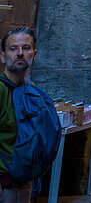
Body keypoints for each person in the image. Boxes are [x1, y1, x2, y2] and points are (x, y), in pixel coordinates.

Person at [0, 27, 39, 203]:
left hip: (24, 182)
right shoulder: (1, 90)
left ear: (34, 54)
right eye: (13, 48)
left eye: (26, 48)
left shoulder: (32, 93)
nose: (20, 53)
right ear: (2, 56)